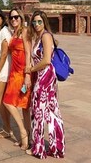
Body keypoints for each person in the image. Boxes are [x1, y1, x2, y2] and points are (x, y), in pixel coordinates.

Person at [25, 10, 65, 159]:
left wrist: (31, 69)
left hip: (45, 77)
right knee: (51, 112)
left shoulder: (46, 36)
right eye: (34, 22)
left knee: (39, 111)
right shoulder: (39, 37)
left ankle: (39, 148)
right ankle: (56, 147)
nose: (36, 24)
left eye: (39, 21)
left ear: (44, 22)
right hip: (43, 76)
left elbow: (47, 60)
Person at [3, 8, 32, 151]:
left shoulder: (25, 31)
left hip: (22, 73)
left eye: (16, 17)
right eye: (11, 18)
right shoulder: (14, 32)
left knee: (7, 101)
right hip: (14, 71)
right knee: (24, 107)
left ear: (21, 18)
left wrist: (27, 74)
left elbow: (28, 53)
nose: (13, 20)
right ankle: (29, 137)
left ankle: (23, 132)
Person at [0, 9, 18, 143]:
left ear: (2, 17)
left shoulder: (5, 31)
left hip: (3, 70)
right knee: (3, 100)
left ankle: (7, 128)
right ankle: (8, 127)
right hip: (1, 68)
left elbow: (5, 53)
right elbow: (1, 51)